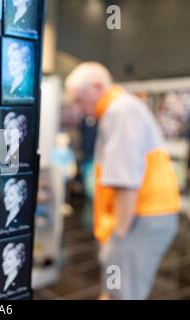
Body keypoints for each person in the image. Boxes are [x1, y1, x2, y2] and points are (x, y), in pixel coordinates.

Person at [65, 62, 181, 300]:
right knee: (115, 288)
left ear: (97, 87)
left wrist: (118, 236)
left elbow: (125, 181)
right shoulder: (119, 109)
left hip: (141, 216)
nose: (78, 109)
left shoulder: (120, 111)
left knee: (123, 292)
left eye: (78, 99)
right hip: (140, 216)